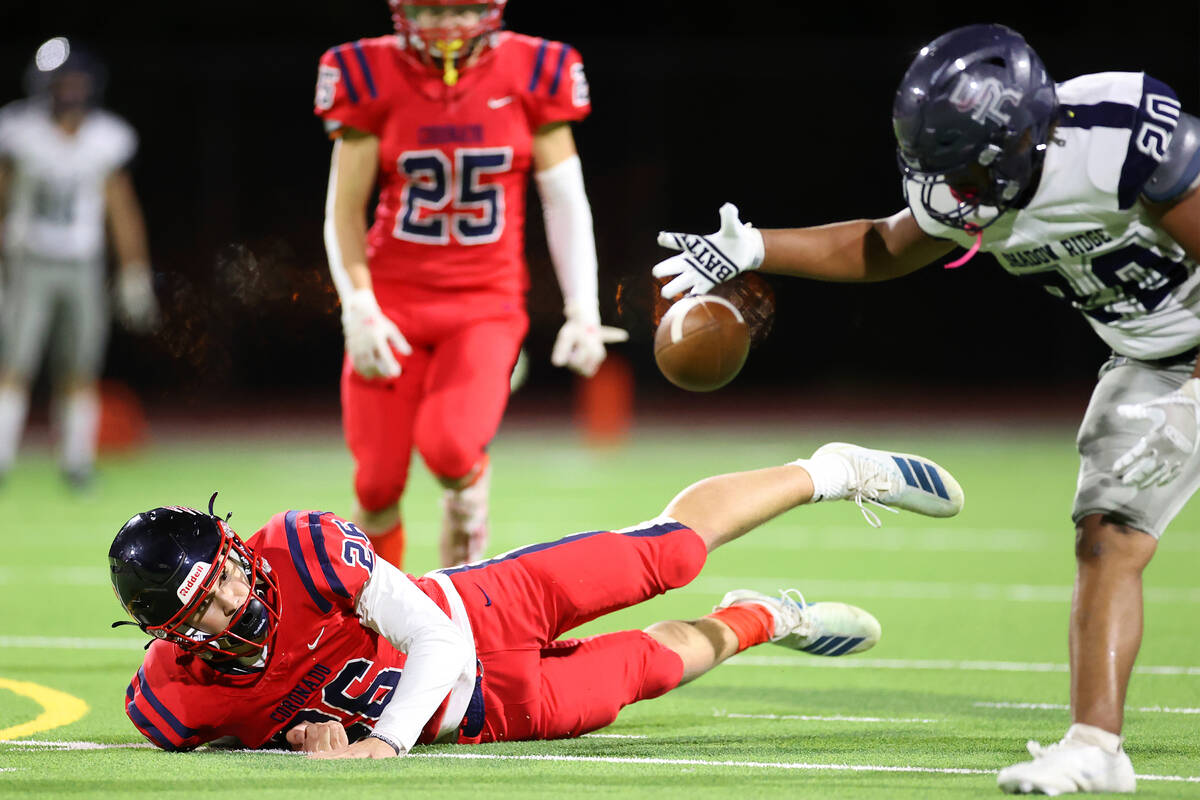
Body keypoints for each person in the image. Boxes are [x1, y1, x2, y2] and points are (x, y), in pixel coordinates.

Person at [650, 23, 1200, 795]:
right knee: (1108, 535)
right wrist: (757, 249)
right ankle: (1097, 749)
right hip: (1151, 357)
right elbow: (886, 244)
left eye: (970, 168)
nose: (956, 192)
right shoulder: (963, 181)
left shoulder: (1120, 138)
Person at [108, 441, 963, 756]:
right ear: (170, 633)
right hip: (492, 711)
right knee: (650, 670)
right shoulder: (174, 703)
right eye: (203, 611)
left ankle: (830, 471)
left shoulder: (297, 547)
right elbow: (246, 730)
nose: (230, 602)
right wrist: (294, 738)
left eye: (224, 575)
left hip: (485, 606)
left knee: (667, 555)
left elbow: (435, 641)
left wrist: (384, 745)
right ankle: (770, 616)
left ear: (232, 549)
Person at [314, 0, 626, 571]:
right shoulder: (367, 72)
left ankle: (463, 548)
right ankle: (378, 624)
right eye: (428, 12)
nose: (444, 27)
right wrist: (358, 306)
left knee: (451, 448)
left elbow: (564, 201)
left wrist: (583, 306)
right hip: (392, 302)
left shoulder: (534, 68)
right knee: (376, 483)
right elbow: (343, 210)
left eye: (458, 10)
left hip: (485, 303)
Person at [0, 37, 158, 488]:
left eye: (75, 82)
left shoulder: (106, 137)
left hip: (82, 264)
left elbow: (120, 206)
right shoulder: (19, 131)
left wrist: (134, 269)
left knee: (80, 366)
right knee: (15, 362)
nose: (69, 92)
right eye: (61, 82)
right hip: (27, 260)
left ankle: (76, 462)